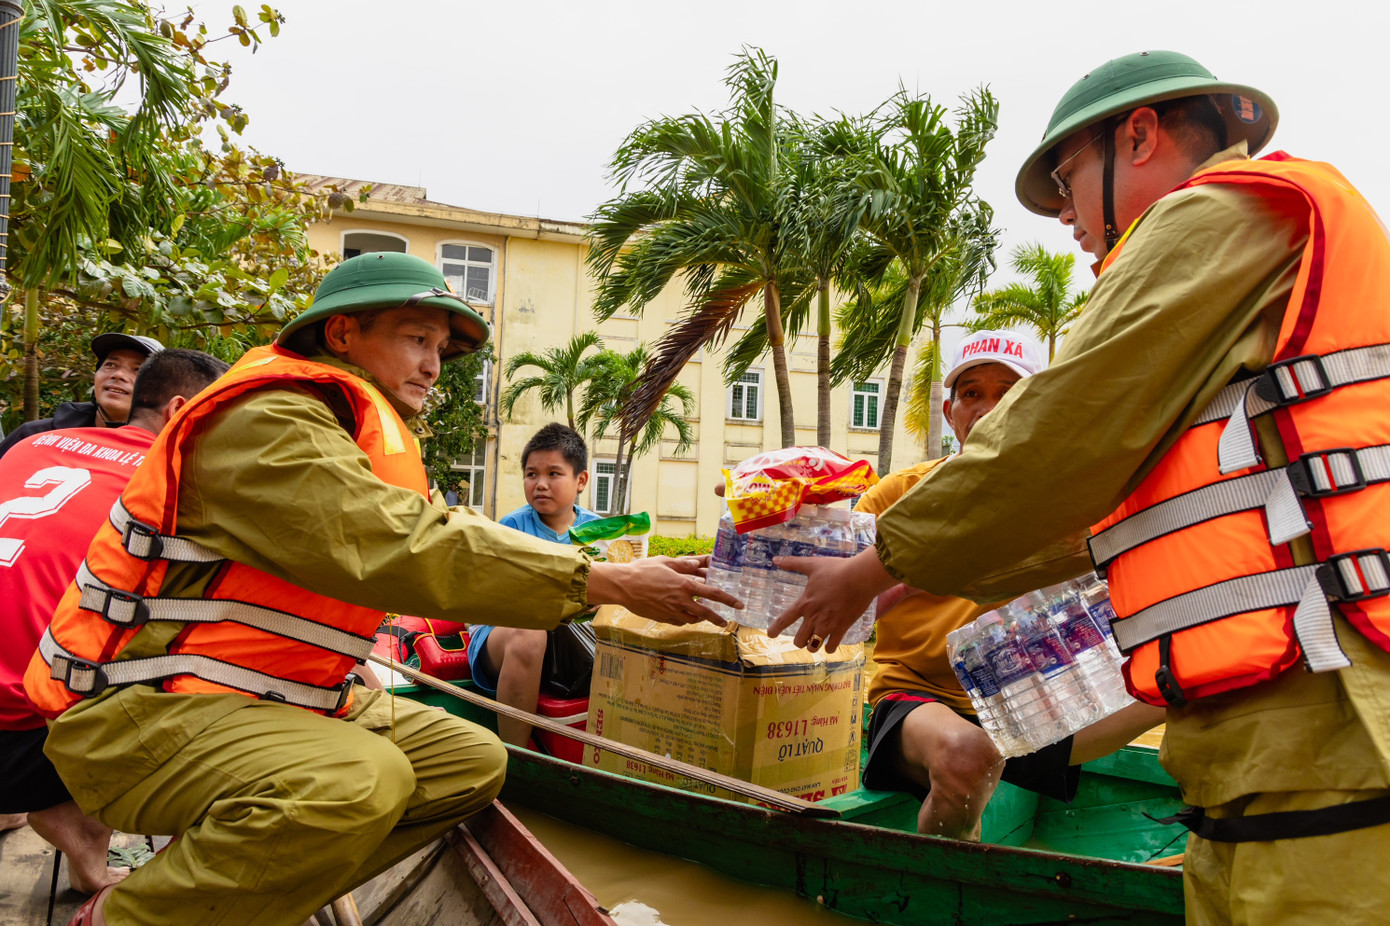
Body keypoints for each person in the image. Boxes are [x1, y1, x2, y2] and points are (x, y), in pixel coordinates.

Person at [773, 50, 1390, 924]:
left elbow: (1055, 439)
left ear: (1138, 136)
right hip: (1283, 708)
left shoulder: (1214, 215)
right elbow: (1104, 512)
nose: (1065, 214)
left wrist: (875, 568)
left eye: (1066, 180)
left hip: (1317, 705)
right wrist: (917, 565)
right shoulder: (1257, 250)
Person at [23, 252, 740, 926]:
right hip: (137, 714)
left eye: (441, 351)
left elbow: (420, 532)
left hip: (258, 696)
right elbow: (394, 544)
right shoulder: (267, 420)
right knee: (359, 781)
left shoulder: (346, 428)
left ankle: (234, 896)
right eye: (416, 339)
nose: (433, 367)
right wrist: (604, 580)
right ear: (342, 332)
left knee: (470, 762)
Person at [859, 330, 1166, 840]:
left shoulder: (1074, 500)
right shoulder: (899, 493)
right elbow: (838, 583)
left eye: (1008, 392)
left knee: (1194, 681)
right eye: (972, 393)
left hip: (1032, 704)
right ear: (951, 412)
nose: (988, 407)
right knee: (966, 753)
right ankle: (945, 892)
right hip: (922, 699)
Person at [0, 349, 227, 894]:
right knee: (209, 666)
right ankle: (86, 817)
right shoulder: (179, 487)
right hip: (19, 740)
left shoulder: (30, 444)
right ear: (180, 411)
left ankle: (67, 819)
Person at [468, 422, 599, 747]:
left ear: (580, 479)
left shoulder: (598, 530)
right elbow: (496, 597)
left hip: (572, 642)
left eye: (553, 474)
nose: (540, 484)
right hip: (504, 633)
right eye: (531, 474)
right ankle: (515, 758)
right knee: (530, 633)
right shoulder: (512, 527)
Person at [0, 333, 164, 459]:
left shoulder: (162, 456)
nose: (118, 374)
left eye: (138, 370)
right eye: (111, 365)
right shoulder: (35, 436)